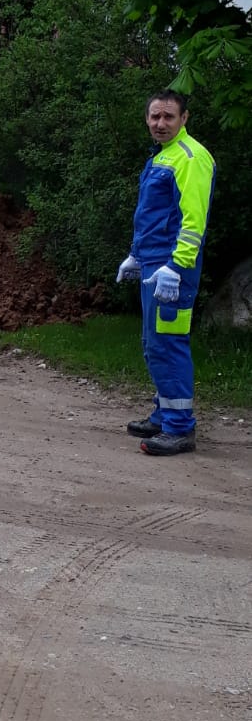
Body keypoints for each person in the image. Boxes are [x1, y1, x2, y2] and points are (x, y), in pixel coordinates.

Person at [116, 89, 215, 456]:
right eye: (155, 117)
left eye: (168, 117)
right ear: (147, 119)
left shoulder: (191, 158)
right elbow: (154, 217)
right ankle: (163, 414)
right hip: (154, 265)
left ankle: (179, 428)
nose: (160, 123)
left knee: (169, 343)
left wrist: (176, 266)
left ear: (184, 118)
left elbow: (193, 221)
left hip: (174, 269)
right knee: (153, 343)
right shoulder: (163, 156)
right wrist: (137, 255)